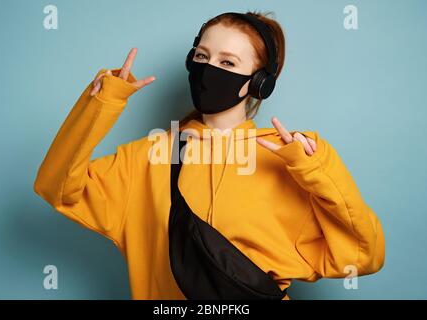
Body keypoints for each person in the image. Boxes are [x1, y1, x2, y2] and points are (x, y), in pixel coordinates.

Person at [33, 11, 385, 300]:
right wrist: (103, 102)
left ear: (260, 83)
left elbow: (362, 255)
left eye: (228, 62)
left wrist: (317, 170)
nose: (208, 69)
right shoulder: (149, 155)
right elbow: (57, 187)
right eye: (202, 57)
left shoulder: (291, 160)